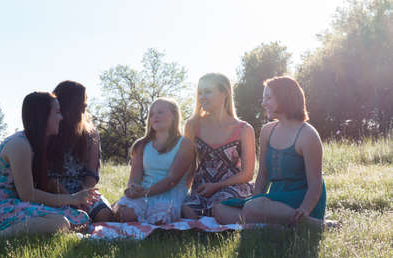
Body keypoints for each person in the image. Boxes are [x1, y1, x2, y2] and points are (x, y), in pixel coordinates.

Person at [0, 92, 97, 238]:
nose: (61, 117)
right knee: (60, 224)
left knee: (81, 218)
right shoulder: (19, 144)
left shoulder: (36, 143)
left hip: (14, 205)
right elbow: (28, 195)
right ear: (43, 116)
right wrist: (72, 198)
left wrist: (73, 199)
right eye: (57, 112)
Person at [214, 76, 326, 226]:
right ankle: (272, 224)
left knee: (252, 208)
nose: (263, 103)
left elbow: (315, 184)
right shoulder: (268, 131)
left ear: (284, 98)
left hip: (302, 200)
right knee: (220, 208)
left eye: (268, 97)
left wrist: (304, 209)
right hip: (275, 198)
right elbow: (263, 175)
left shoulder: (308, 135)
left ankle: (309, 223)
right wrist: (256, 201)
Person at [182, 73, 255, 219]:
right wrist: (182, 193)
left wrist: (216, 186)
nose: (202, 97)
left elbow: (247, 174)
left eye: (208, 91)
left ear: (224, 93)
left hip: (232, 187)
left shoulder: (243, 129)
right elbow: (189, 166)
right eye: (200, 93)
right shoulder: (192, 125)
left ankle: (261, 219)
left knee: (220, 210)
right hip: (202, 189)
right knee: (186, 211)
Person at [114, 98, 194, 225]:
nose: (155, 116)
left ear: (174, 116)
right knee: (124, 214)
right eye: (152, 114)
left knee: (159, 219)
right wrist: (133, 189)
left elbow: (172, 180)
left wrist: (146, 193)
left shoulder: (185, 144)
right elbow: (134, 177)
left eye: (160, 112)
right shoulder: (141, 144)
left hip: (170, 195)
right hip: (142, 194)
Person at [48, 80, 114, 222]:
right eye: (83, 101)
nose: (86, 105)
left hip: (83, 190)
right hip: (55, 192)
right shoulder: (50, 132)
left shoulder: (91, 134)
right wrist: (70, 199)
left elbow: (92, 172)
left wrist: (83, 195)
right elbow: (46, 176)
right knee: (68, 220)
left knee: (106, 216)